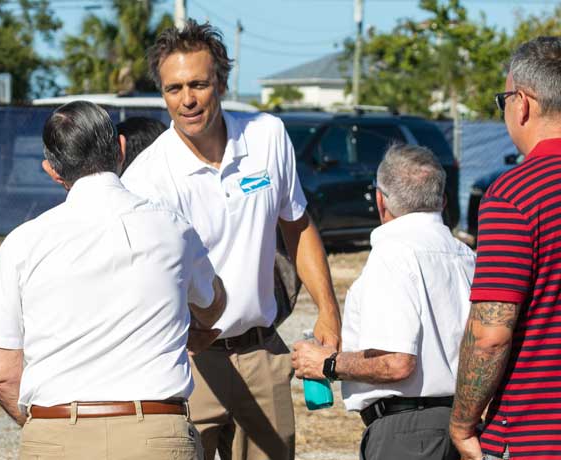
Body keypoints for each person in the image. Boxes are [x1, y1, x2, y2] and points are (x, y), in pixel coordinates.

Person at [120, 19, 342, 460]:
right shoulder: (146, 177)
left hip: (261, 354)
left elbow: (296, 225)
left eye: (198, 84)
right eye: (173, 88)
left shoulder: (267, 136)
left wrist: (330, 312)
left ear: (220, 82)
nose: (187, 100)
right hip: (185, 363)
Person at [0, 100, 227, 459]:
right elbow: (212, 303)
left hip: (55, 434)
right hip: (155, 431)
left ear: (52, 171)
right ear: (120, 150)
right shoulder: (173, 227)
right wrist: (195, 326)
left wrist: (49, 429)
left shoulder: (23, 242)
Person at [291, 144, 475, 460]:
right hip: (464, 424)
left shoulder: (393, 255)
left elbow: (397, 362)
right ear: (442, 200)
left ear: (380, 199)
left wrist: (327, 364)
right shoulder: (467, 258)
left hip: (408, 432)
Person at [450, 36, 561, 460]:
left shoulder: (516, 194)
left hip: (535, 434)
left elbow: (490, 336)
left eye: (504, 98)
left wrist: (462, 424)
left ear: (523, 103)